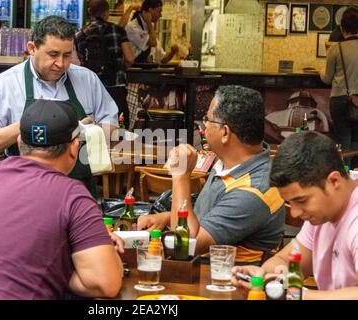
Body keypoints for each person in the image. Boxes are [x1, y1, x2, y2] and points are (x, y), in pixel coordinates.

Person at [0, 100, 123, 300]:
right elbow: (104, 283)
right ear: (74, 147)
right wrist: (61, 266)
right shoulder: (72, 195)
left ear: (19, 143)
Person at [138, 85, 285, 265]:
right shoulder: (228, 161)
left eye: (208, 120)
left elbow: (184, 245)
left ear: (225, 132)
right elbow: (213, 211)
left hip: (225, 280)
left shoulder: (254, 190)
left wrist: (181, 176)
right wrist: (167, 216)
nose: (204, 125)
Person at [0, 16, 119, 196]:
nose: (61, 63)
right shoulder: (4, 85)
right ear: (32, 48)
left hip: (79, 191)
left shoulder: (87, 79)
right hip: (24, 192)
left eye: (67, 55)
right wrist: (30, 126)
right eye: (53, 55)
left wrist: (90, 131)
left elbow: (112, 126)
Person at [232, 132, 358, 299]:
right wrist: (263, 277)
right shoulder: (324, 215)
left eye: (301, 200)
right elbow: (284, 262)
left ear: (334, 181)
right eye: (290, 202)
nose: (295, 213)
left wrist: (297, 294)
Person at [76, 0, 136, 128]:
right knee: (119, 128)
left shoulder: (81, 34)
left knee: (91, 128)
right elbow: (130, 58)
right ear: (106, 12)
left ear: (89, 12)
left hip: (90, 88)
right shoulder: (117, 30)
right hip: (115, 86)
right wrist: (119, 67)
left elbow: (77, 61)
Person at [321, 7, 358, 168]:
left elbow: (327, 79)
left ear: (342, 29)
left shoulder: (336, 49)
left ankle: (346, 173)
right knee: (356, 139)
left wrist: (320, 70)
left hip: (340, 99)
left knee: (344, 139)